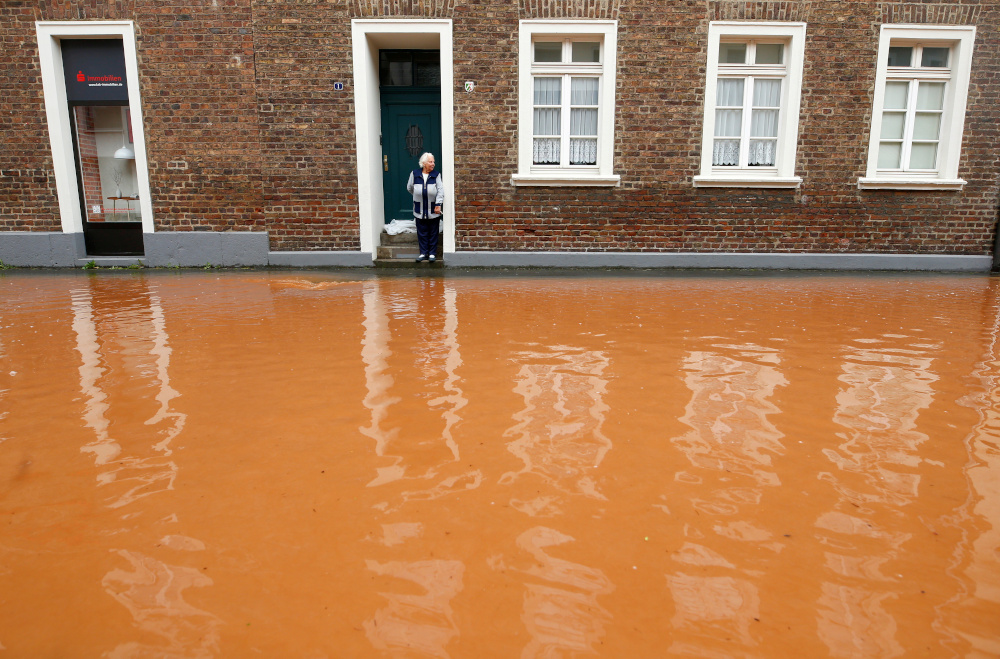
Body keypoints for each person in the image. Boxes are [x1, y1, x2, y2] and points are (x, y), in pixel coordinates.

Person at [406, 152, 444, 263]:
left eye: (433, 162)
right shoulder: (414, 174)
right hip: (419, 208)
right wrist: (419, 195)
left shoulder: (436, 175)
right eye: (430, 162)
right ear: (424, 163)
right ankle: (423, 253)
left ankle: (432, 254)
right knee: (421, 232)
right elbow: (409, 188)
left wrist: (438, 204)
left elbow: (440, 191)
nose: (433, 164)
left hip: (433, 208)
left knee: (433, 231)